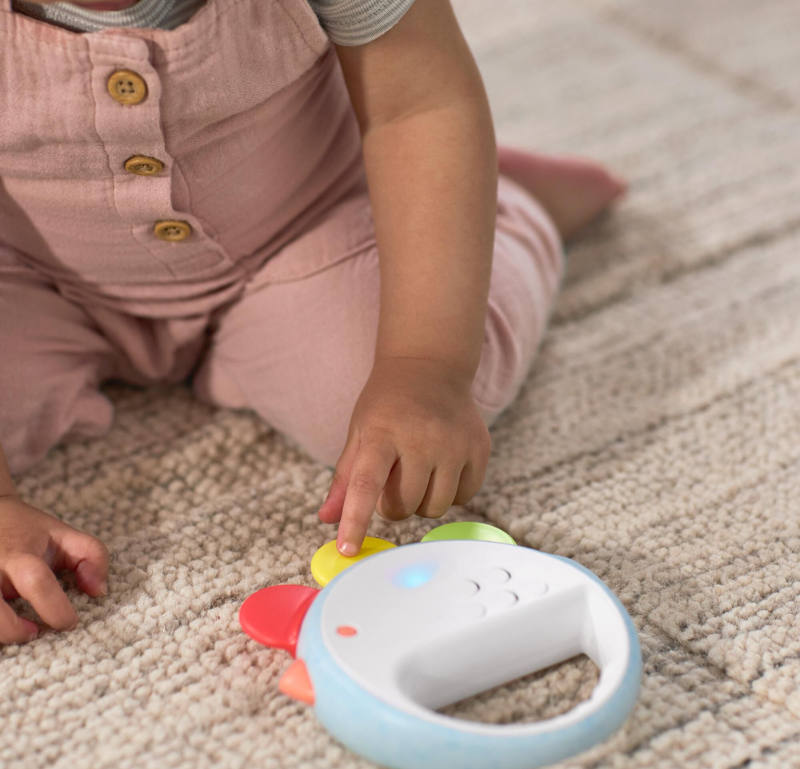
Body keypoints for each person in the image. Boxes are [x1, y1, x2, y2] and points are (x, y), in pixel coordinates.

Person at [0, 0, 626, 645]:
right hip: (29, 280)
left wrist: (425, 367)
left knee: (403, 428)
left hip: (303, 232)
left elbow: (418, 104)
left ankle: (504, 207)